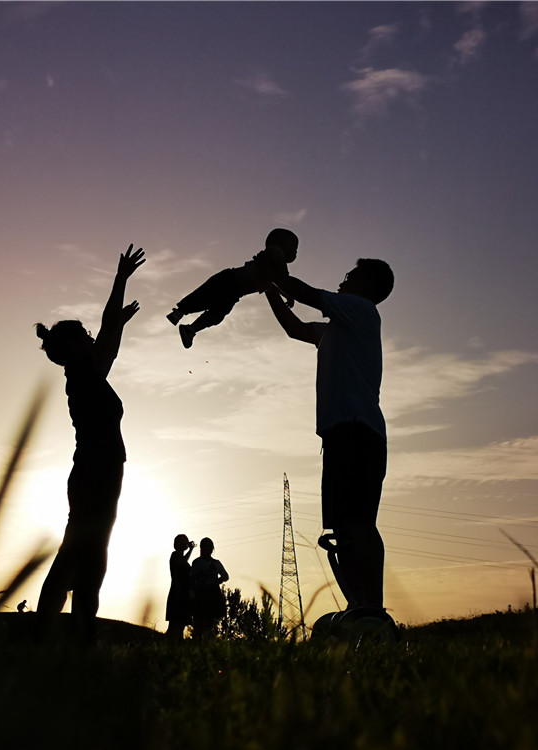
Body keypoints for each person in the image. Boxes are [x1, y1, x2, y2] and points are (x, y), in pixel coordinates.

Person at [263, 256, 395, 624]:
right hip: (340, 433)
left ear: (368, 284)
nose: (343, 279)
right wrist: (269, 289)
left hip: (358, 430)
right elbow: (294, 328)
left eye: (351, 275)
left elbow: (305, 293)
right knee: (343, 530)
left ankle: (373, 609)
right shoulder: (339, 328)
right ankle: (359, 609)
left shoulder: (360, 309)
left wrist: (273, 271)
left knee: (359, 523)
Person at [34, 243, 145, 640]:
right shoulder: (82, 374)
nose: (91, 335)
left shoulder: (88, 373)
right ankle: (50, 632)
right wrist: (120, 279)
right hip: (94, 473)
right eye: (84, 335)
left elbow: (108, 344)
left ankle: (70, 634)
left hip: (100, 473)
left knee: (89, 555)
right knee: (83, 554)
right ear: (73, 347)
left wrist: (118, 322)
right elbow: (107, 332)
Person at [166, 228, 299, 348]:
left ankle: (190, 329)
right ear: (282, 244)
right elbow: (282, 277)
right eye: (294, 247)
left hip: (235, 292)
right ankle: (180, 312)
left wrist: (287, 295)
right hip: (229, 280)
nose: (295, 252)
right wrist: (288, 288)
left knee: (217, 313)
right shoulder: (275, 253)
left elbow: (275, 285)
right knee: (203, 297)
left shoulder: (274, 272)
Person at [189, 537, 229, 639]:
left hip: (211, 596)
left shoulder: (216, 563)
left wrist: (216, 582)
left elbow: (226, 576)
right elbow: (191, 579)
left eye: (209, 547)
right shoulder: (197, 563)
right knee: (199, 625)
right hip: (200, 596)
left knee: (209, 625)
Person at [165, 533, 196, 641]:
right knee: (175, 624)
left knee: (180, 623)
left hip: (182, 593)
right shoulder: (175, 556)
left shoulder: (179, 558)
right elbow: (182, 562)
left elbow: (183, 561)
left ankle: (174, 644)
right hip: (178, 593)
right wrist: (190, 549)